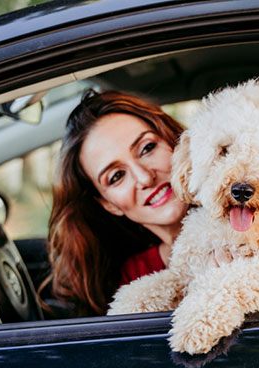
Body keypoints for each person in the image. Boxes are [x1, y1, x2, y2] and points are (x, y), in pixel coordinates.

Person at [44, 89, 189, 317]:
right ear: (108, 204)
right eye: (116, 176)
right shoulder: (135, 278)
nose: (144, 177)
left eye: (147, 148)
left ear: (174, 141)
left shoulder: (252, 218)